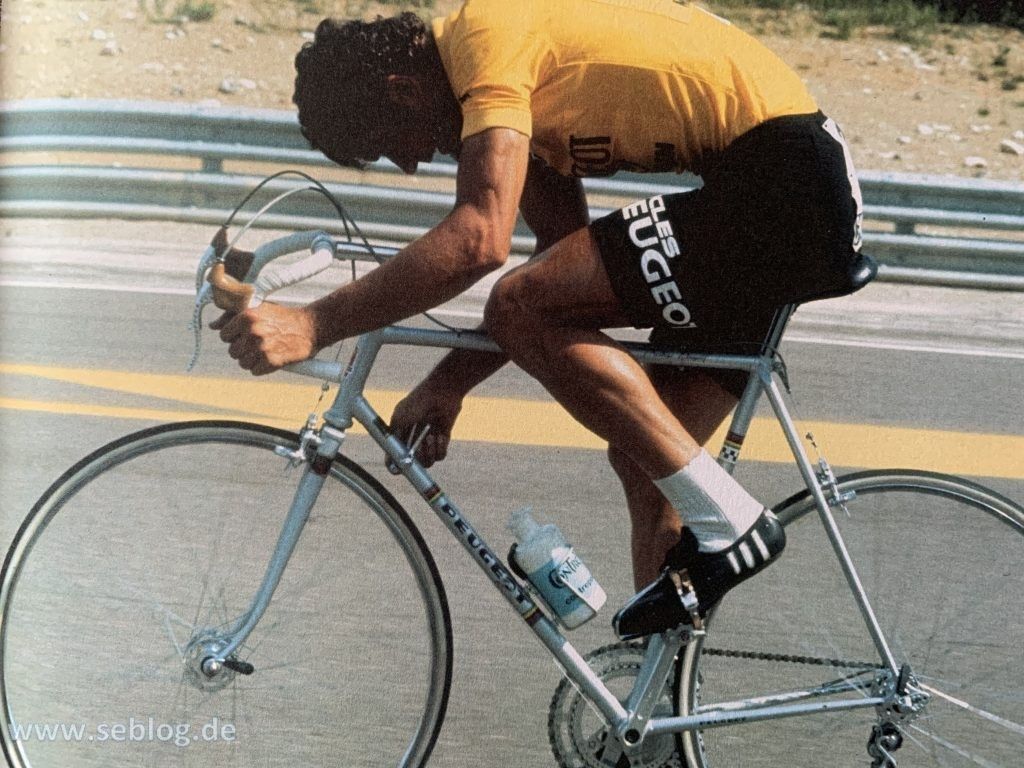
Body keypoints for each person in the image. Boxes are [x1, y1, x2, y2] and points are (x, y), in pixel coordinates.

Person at [215, 0, 866, 638]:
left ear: (403, 89)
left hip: (784, 184)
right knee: (650, 460)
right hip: (779, 189)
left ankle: (735, 523)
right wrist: (448, 383)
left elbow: (479, 240)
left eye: (390, 146)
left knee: (520, 304)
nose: (411, 164)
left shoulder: (487, 39)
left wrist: (313, 324)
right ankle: (660, 698)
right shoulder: (517, 90)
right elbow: (558, 258)